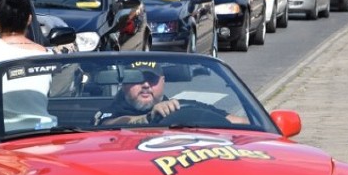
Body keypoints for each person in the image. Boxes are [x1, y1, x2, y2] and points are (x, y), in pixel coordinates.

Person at [95, 61, 247, 126]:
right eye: (137, 79)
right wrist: (149, 118)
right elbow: (112, 124)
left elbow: (240, 123)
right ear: (124, 84)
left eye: (152, 79)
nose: (146, 85)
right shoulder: (108, 114)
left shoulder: (186, 107)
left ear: (163, 81)